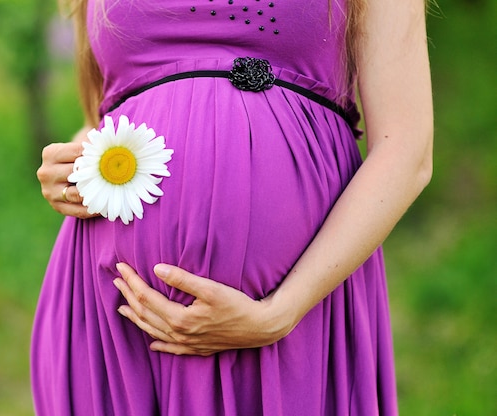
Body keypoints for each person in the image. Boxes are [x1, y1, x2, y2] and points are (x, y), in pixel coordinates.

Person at [33, 0, 433, 414]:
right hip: (121, 309)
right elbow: (107, 107)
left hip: (297, 306)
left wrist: (281, 311)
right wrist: (65, 166)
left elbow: (406, 149)